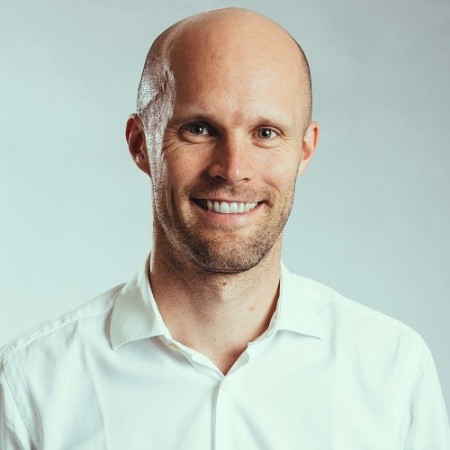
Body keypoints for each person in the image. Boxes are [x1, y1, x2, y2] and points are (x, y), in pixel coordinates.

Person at [1, 7, 448, 449]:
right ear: (141, 144)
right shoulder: (32, 385)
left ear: (305, 150)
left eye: (266, 133)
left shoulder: (393, 372)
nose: (233, 170)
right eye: (199, 129)